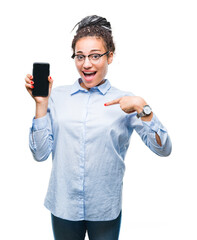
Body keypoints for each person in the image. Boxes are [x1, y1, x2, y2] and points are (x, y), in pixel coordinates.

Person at [25, 15, 172, 240]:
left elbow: (164, 149)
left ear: (110, 56)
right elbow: (40, 154)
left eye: (95, 56)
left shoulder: (126, 101)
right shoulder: (57, 97)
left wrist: (144, 109)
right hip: (64, 205)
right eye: (80, 56)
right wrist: (41, 105)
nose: (86, 64)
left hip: (104, 208)